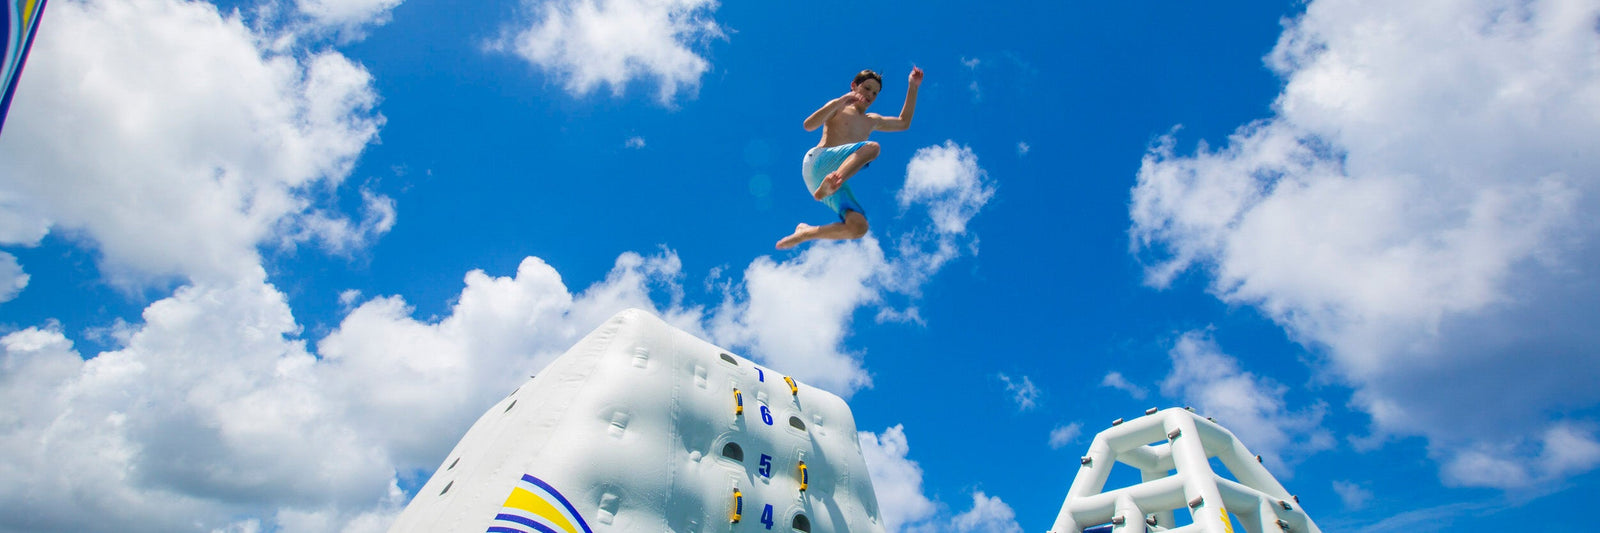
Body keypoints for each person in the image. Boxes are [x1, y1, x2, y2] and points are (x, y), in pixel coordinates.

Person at [776, 66, 923, 249]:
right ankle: (832, 183)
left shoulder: (872, 120)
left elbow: (903, 123)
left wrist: (913, 86)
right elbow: (809, 125)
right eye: (867, 88)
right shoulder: (839, 106)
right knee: (872, 148)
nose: (870, 95)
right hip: (818, 162)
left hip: (824, 183)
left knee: (859, 227)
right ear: (854, 86)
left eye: (875, 93)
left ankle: (805, 233)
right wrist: (841, 101)